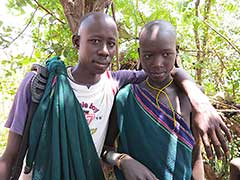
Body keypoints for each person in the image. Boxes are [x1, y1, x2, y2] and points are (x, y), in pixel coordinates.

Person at [0, 12, 231, 179]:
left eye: (111, 44)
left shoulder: (114, 83)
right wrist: (122, 160)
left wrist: (200, 101)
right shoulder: (41, 84)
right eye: (94, 41)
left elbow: (164, 69)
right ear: (76, 42)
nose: (104, 50)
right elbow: (8, 157)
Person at [102, 20, 204, 180]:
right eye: (148, 55)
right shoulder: (125, 98)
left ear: (176, 52)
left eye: (166, 54)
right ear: (139, 54)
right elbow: (105, 149)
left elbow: (195, 154)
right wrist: (122, 160)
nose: (157, 64)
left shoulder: (190, 97)